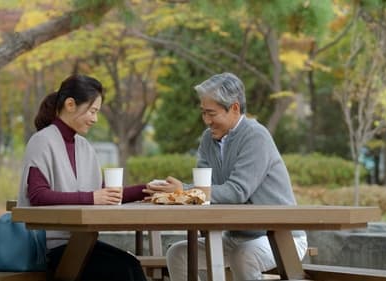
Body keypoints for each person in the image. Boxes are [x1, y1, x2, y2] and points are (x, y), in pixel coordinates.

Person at [146, 72, 308, 281]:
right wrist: (170, 195)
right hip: (235, 236)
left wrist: (183, 190)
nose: (206, 120)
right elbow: (204, 190)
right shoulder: (208, 139)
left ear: (234, 108)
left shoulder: (256, 136)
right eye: (203, 113)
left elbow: (236, 192)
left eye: (211, 113)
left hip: (279, 236)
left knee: (243, 256)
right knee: (178, 255)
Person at [17, 74, 148, 281]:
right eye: (92, 111)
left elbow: (106, 194)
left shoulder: (84, 147)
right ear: (70, 104)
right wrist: (91, 198)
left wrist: (148, 189)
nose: (95, 119)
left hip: (83, 242)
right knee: (121, 271)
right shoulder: (42, 141)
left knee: (131, 266)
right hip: (50, 248)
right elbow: (38, 196)